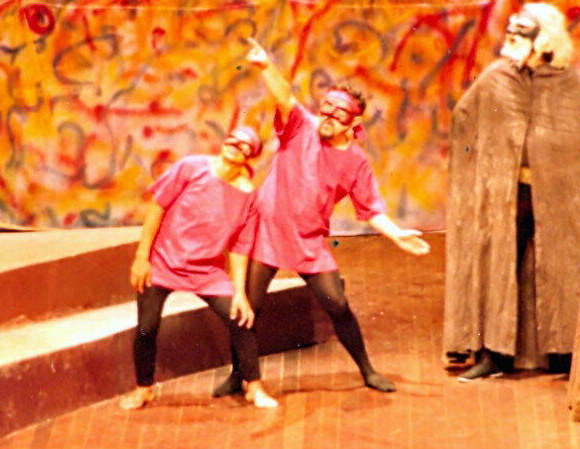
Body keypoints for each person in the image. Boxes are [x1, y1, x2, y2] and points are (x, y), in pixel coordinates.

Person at [213, 38, 430, 397]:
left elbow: (371, 208)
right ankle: (241, 373)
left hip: (308, 240)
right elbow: (284, 97)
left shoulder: (356, 161)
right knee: (248, 308)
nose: (327, 118)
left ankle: (367, 369)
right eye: (326, 109)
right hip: (267, 231)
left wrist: (396, 235)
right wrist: (266, 66)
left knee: (337, 303)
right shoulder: (301, 126)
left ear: (353, 122)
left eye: (337, 114)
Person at [444, 3, 580, 381]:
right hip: (509, 193)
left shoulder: (571, 85)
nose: (513, 40)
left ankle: (564, 351)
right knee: (499, 267)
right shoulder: (497, 79)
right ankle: (495, 355)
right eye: (512, 33)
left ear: (545, 42)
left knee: (562, 268)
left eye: (523, 34)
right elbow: (465, 121)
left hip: (562, 197)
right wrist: (482, 172)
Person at [121, 126, 277, 409]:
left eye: (243, 145)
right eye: (233, 140)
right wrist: (142, 258)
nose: (235, 146)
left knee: (240, 318)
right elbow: (157, 208)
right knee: (146, 326)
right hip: (163, 262)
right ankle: (143, 388)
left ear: (249, 157)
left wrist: (239, 292)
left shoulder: (248, 195)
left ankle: (254, 386)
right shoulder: (191, 167)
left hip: (206, 271)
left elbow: (240, 247)